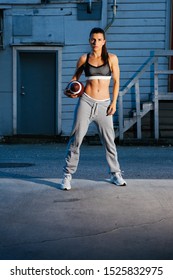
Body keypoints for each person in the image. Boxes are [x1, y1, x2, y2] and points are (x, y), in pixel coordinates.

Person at [61, 27, 126, 190]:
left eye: (98, 39)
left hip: (104, 104)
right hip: (86, 102)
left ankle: (115, 174)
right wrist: (70, 91)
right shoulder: (84, 59)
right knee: (76, 139)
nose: (95, 42)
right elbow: (74, 80)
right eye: (92, 39)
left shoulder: (112, 58)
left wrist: (113, 103)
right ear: (89, 40)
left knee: (109, 141)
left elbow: (117, 82)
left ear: (104, 41)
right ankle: (67, 176)